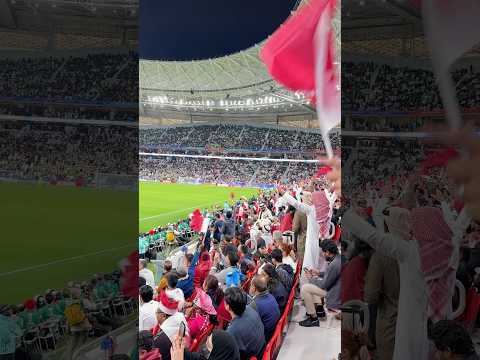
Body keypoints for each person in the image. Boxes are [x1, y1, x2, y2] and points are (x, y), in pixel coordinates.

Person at [364, 221, 400, 360]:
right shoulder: (417, 249)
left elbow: (370, 296)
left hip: (390, 322)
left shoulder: (382, 255)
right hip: (416, 321)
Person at [299, 240, 341, 327]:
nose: (322, 255)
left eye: (323, 253)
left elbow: (323, 285)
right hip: (338, 289)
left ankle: (313, 319)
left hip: (335, 293)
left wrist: (310, 278)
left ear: (328, 252)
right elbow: (331, 275)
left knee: (305, 288)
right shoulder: (338, 258)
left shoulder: (334, 264)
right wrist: (319, 273)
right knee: (315, 282)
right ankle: (320, 310)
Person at [224, 287, 265, 360]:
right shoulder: (249, 309)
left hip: (255, 356)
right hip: (262, 349)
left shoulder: (232, 331)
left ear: (228, 306)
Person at [152, 290, 189, 360]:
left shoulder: (159, 340)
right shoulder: (180, 319)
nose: (155, 314)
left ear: (163, 316)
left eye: (156, 312)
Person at [170, 329, 240, 360]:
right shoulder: (209, 357)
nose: (204, 349)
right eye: (206, 344)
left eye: (208, 349)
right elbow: (196, 357)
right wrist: (181, 348)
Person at [249, 274, 280, 341]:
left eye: (250, 285)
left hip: (265, 336)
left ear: (254, 288)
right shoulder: (271, 296)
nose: (249, 287)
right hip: (272, 332)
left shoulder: (254, 305)